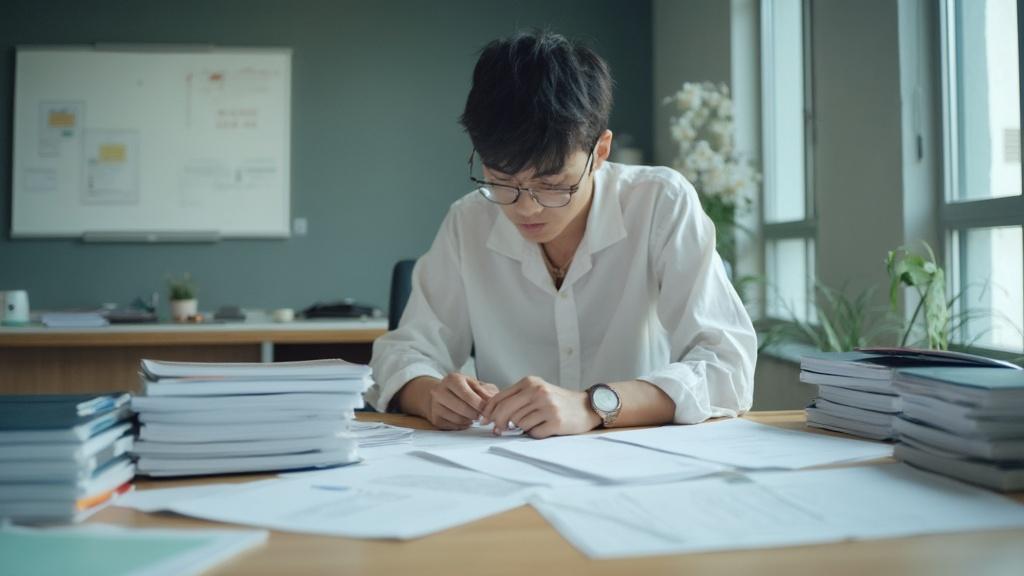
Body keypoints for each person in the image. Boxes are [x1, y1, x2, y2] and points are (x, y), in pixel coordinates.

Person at [367, 30, 756, 438]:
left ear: (600, 152)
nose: (525, 207)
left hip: (637, 463)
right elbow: (403, 353)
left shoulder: (660, 202)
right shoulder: (469, 221)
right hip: (503, 462)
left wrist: (593, 404)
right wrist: (430, 394)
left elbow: (727, 366)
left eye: (553, 185)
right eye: (502, 181)